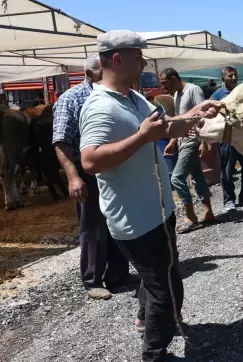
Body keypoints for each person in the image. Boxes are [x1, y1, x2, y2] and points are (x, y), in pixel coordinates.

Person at [79, 30, 224, 362]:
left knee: (159, 277)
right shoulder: (100, 106)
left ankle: (148, 322)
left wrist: (197, 113)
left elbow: (165, 127)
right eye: (139, 55)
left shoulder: (134, 98)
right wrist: (142, 138)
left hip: (157, 212)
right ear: (117, 58)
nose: (144, 60)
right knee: (165, 290)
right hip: (135, 218)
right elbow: (89, 161)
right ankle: (154, 355)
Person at [52, 53, 131, 300]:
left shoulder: (113, 94)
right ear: (88, 74)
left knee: (117, 220)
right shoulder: (71, 100)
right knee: (93, 225)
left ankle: (118, 274)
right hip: (87, 170)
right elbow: (61, 142)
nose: (107, 75)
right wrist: (73, 177)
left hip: (112, 166)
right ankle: (92, 279)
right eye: (101, 72)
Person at [159, 68, 216, 233]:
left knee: (176, 178)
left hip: (193, 140)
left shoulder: (193, 90)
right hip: (182, 141)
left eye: (165, 83)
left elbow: (204, 115)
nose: (164, 88)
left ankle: (190, 216)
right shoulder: (177, 95)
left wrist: (204, 141)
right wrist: (172, 142)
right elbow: (181, 121)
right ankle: (208, 212)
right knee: (198, 176)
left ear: (174, 78)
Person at [210, 66, 243, 211]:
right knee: (227, 170)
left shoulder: (242, 92)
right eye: (230, 75)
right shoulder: (216, 96)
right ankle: (229, 201)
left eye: (235, 75)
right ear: (223, 78)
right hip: (227, 139)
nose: (233, 78)